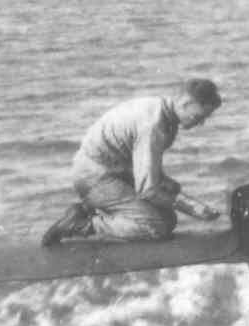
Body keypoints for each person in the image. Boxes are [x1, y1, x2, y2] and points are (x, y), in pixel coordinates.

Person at [41, 79, 222, 246]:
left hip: (110, 170)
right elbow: (148, 190)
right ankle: (84, 224)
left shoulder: (160, 110)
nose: (201, 123)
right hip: (94, 177)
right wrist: (192, 209)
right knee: (156, 228)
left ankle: (96, 210)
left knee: (168, 219)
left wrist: (182, 197)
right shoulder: (153, 127)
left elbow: (152, 176)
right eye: (198, 117)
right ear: (185, 103)